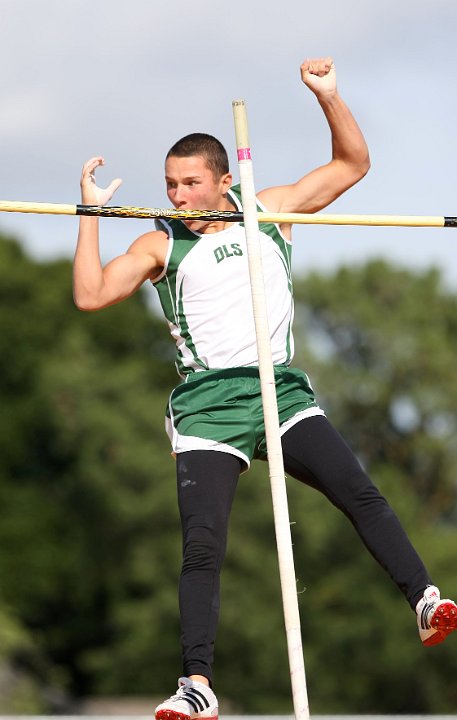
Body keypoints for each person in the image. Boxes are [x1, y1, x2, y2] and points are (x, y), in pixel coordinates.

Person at [73, 57, 457, 720]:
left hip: (278, 392)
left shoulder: (269, 209)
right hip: (207, 408)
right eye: (171, 185)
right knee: (202, 546)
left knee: (358, 492)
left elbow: (352, 165)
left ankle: (423, 599)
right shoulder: (159, 244)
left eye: (191, 183)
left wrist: (328, 95)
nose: (179, 197)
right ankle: (196, 685)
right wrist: (86, 213)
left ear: (225, 181)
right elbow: (90, 295)